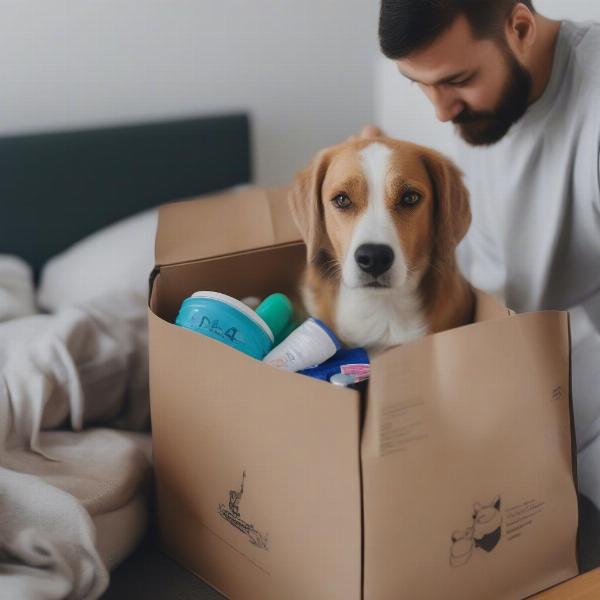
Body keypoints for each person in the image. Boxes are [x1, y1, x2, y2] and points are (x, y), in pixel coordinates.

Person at [367, 1, 600, 516]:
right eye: (418, 84)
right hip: (497, 384)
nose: (440, 110)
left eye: (458, 80)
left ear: (520, 27)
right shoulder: (465, 104)